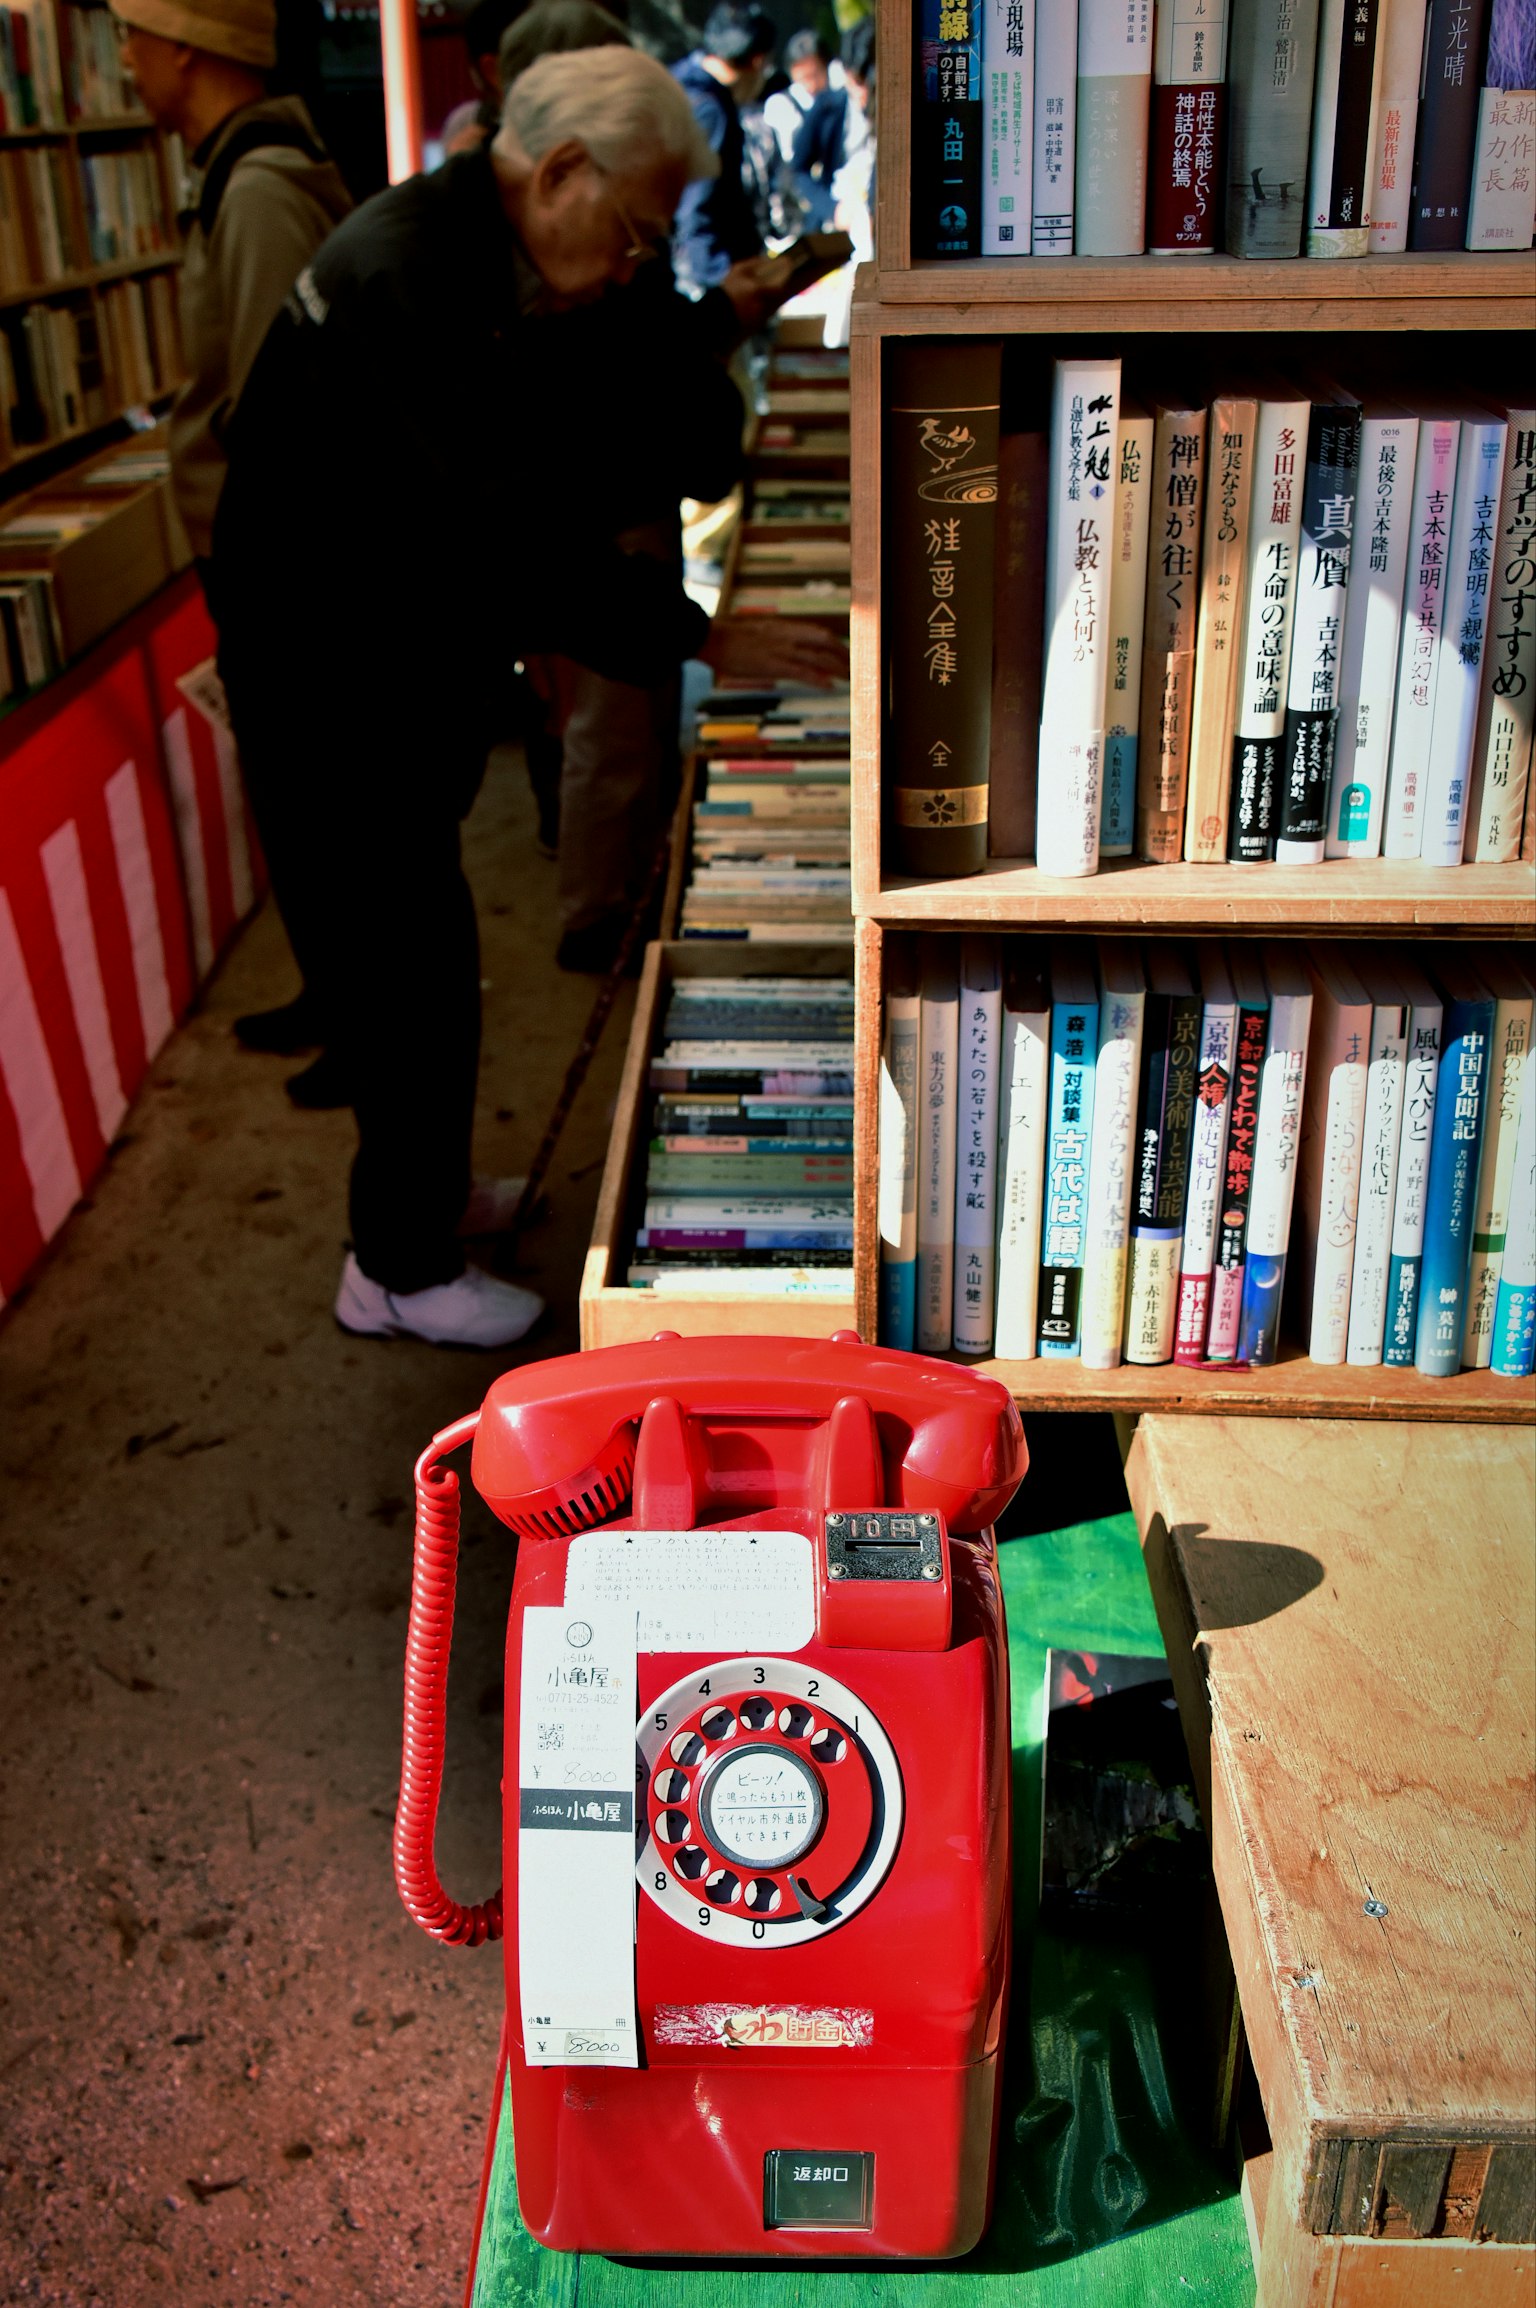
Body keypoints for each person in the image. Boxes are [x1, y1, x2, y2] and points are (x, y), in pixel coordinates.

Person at [212, 47, 842, 1349]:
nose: (627, 264)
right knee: (403, 980)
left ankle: (428, 1200)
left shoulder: (485, 241)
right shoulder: (409, 274)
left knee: (426, 956)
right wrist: (699, 640)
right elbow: (495, 533)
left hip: (383, 670)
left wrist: (707, 325)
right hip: (327, 690)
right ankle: (391, 1267)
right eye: (629, 232)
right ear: (560, 172)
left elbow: (567, 425)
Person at [110, 0, 353, 1083]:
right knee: (297, 806)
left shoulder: (255, 192)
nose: (122, 59)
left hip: (283, 571)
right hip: (270, 563)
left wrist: (269, 585)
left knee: (317, 806)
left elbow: (281, 417)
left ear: (183, 47)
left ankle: (360, 1025)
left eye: (130, 35)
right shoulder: (241, 174)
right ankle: (337, 996)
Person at [669, 2, 774, 294]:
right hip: (708, 275)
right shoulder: (710, 108)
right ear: (757, 61)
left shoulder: (679, 83)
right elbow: (697, 205)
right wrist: (722, 281)